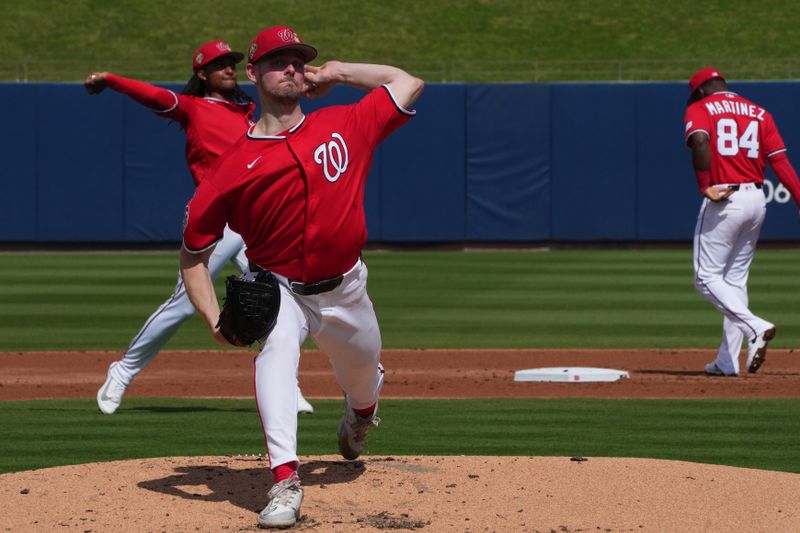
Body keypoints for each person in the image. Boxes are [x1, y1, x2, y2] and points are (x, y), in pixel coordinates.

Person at [179, 25, 423, 528]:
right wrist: (212, 320)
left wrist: (337, 72)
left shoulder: (345, 124)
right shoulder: (232, 166)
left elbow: (408, 82)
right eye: (276, 60)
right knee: (276, 351)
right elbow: (192, 257)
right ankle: (285, 481)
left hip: (347, 288)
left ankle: (359, 417)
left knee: (362, 377)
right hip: (279, 289)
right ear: (253, 73)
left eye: (297, 60)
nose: (289, 67)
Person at [85, 39, 315, 415]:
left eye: (231, 63)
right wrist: (112, 79)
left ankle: (286, 385)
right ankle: (123, 371)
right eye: (219, 64)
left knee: (281, 300)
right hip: (219, 220)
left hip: (256, 221)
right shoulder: (193, 108)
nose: (228, 68)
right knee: (182, 305)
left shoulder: (252, 111)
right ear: (202, 73)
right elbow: (154, 95)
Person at [684, 67, 800, 376]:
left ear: (699, 91)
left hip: (726, 196)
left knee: (705, 276)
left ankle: (756, 327)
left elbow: (699, 141)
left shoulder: (701, 107)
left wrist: (703, 185)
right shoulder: (759, 112)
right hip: (757, 199)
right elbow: (780, 161)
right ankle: (727, 360)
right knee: (734, 279)